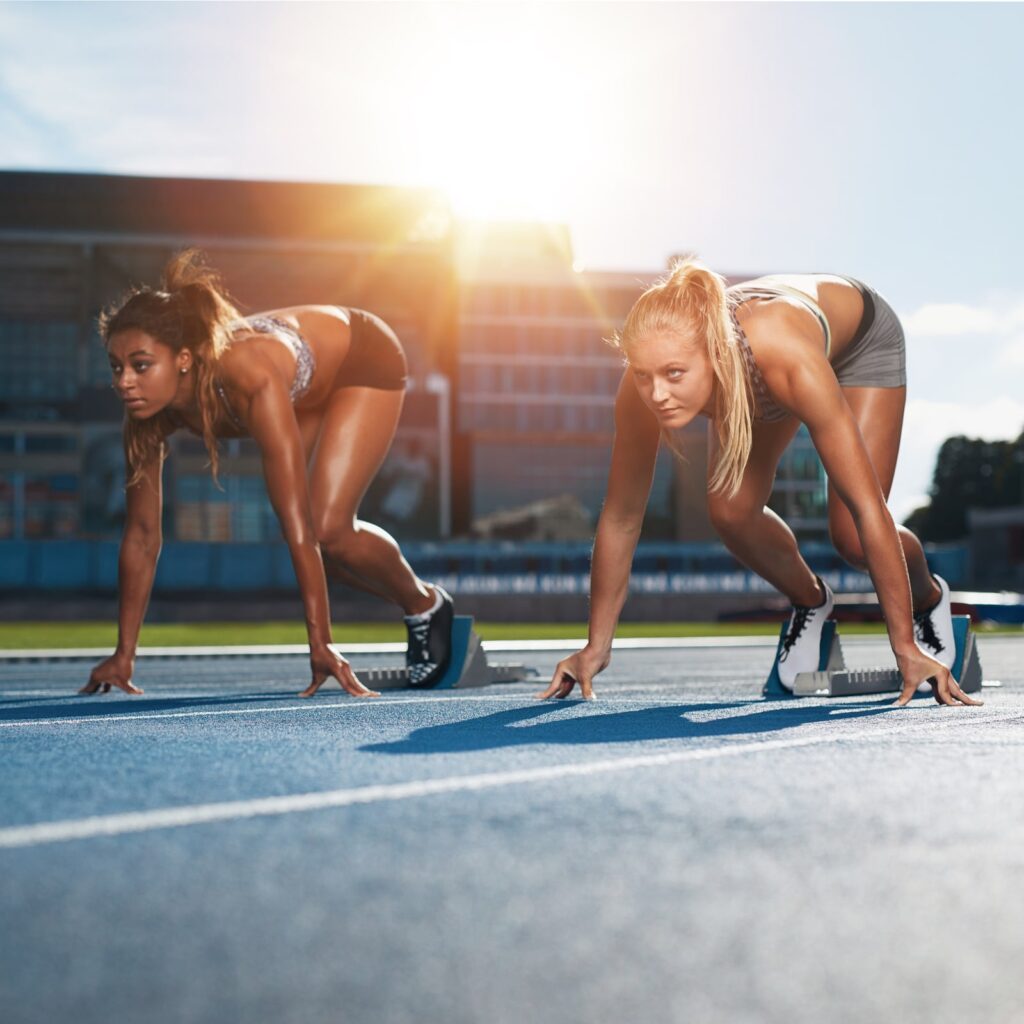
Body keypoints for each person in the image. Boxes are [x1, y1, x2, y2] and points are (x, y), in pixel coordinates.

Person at [540, 260, 981, 708]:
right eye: (643, 375)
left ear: (713, 354)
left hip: (859, 344)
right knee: (730, 511)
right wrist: (596, 645)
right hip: (756, 372)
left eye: (674, 374)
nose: (656, 394)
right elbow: (621, 516)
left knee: (851, 534)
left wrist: (905, 646)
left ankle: (928, 599)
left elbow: (870, 508)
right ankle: (810, 602)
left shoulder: (785, 360)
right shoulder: (645, 385)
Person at [81, 250, 453, 698]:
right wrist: (124, 654)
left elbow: (296, 527)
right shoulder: (145, 413)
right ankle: (421, 601)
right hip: (304, 382)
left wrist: (322, 644)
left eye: (141, 366)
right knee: (324, 546)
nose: (124, 382)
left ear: (182, 359)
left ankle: (426, 606)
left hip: (361, 356)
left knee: (326, 530)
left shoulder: (247, 377)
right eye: (116, 367)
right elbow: (142, 535)